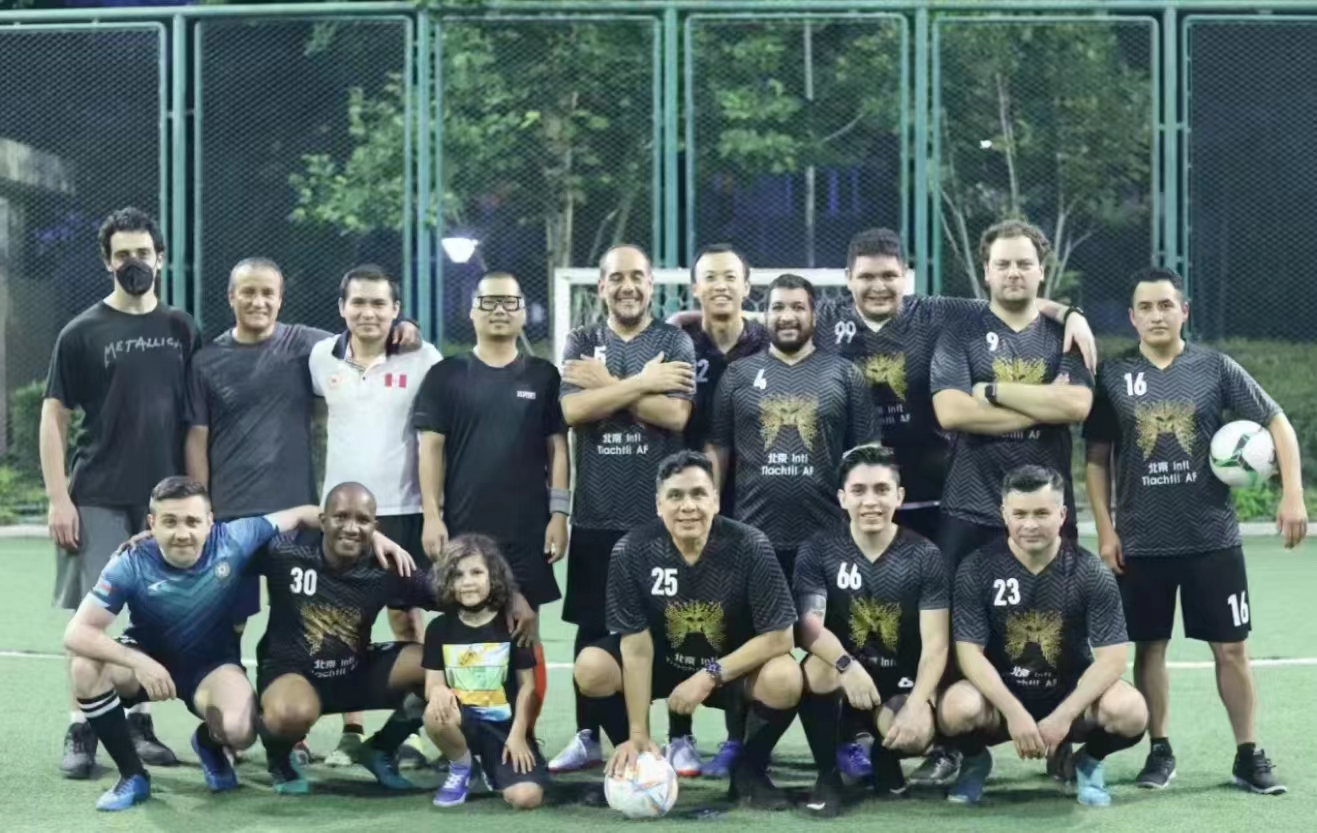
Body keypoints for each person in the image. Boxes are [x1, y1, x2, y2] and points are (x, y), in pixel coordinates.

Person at [815, 227, 1096, 788]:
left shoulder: (941, 312)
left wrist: (1072, 314)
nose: (878, 286)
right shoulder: (826, 318)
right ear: (847, 281)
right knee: (870, 623)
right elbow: (764, 324)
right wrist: (685, 323)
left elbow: (1016, 292)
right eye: (866, 277)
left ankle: (1019, 738)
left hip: (932, 496)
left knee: (950, 625)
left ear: (907, 278)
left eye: (889, 276)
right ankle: (873, 736)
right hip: (865, 501)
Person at [61, 476, 412, 811]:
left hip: (211, 667)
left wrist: (375, 539)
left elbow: (306, 512)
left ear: (210, 522)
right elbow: (77, 633)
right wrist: (138, 662)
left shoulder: (235, 537)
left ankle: (210, 743)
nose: (182, 533)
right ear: (152, 523)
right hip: (147, 659)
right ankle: (132, 775)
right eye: (169, 521)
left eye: (192, 521)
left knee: (242, 732)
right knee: (85, 668)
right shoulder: (131, 562)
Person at [1084, 267, 1306, 795]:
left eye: (1167, 305)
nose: (1157, 315)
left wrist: (1291, 493)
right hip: (1140, 542)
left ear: (1184, 312)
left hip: (1213, 539)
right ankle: (1159, 751)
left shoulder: (1215, 368)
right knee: (1150, 649)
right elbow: (1096, 458)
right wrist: (1107, 530)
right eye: (1146, 307)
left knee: (1232, 650)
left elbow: (1277, 423)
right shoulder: (1114, 377)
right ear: (1133, 317)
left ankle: (1247, 754)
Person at [42, 207, 200, 778]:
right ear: (108, 262)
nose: (134, 263)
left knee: (152, 616)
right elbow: (53, 417)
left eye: (143, 252)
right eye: (123, 255)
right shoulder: (81, 332)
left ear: (161, 257)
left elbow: (195, 419)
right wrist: (60, 498)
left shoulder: (182, 327)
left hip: (163, 505)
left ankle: (135, 723)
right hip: (99, 494)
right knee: (96, 616)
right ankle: (81, 726)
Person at [573, 451, 802, 809]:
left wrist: (709, 675)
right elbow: (635, 646)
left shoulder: (751, 545)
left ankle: (750, 771)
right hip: (662, 666)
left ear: (715, 499)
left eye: (698, 494)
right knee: (590, 667)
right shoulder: (632, 550)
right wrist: (638, 732)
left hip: (727, 668)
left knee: (785, 677)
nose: (688, 507)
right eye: (676, 496)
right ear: (658, 504)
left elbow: (781, 636)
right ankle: (638, 756)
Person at [549, 244, 697, 773]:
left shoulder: (673, 339)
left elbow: (675, 415)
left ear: (652, 284)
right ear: (602, 286)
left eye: (638, 276)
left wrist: (608, 386)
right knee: (592, 629)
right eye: (617, 278)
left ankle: (680, 735)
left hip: (658, 521)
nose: (628, 286)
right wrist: (641, 384)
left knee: (671, 628)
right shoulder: (583, 340)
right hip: (594, 514)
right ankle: (588, 734)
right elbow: (571, 409)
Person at [939, 466, 1147, 807]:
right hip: (1000, 698)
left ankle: (1088, 762)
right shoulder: (977, 568)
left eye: (1041, 513)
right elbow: (969, 654)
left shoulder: (1090, 571)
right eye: (1019, 514)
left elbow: (1113, 659)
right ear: (1003, 513)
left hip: (1068, 694)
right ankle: (976, 762)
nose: (1030, 524)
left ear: (1062, 514)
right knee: (955, 709)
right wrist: (1014, 712)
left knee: (1131, 711)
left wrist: (1063, 717)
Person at [415, 272, 567, 730]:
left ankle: (524, 736)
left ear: (523, 311)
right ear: (472, 310)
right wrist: (431, 515)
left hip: (527, 531)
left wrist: (559, 514)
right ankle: (463, 736)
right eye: (489, 302)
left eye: (509, 302)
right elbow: (431, 448)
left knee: (524, 634)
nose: (500, 310)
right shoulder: (446, 374)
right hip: (463, 530)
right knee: (462, 640)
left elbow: (557, 448)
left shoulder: (543, 375)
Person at [308, 264, 442, 765]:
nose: (368, 312)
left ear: (395, 309)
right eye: (358, 303)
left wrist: (434, 513)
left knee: (408, 619)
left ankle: (415, 726)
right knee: (345, 625)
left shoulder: (423, 356)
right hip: (343, 518)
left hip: (405, 510)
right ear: (342, 308)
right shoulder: (321, 357)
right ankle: (351, 732)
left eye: (379, 304)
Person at [255, 482, 451, 794]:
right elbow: (223, 548)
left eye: (362, 520)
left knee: (441, 668)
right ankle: (279, 758)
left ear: (375, 527)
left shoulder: (387, 565)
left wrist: (508, 598)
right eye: (340, 517)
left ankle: (380, 749)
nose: (351, 528)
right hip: (292, 674)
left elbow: (448, 597)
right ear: (322, 521)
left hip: (354, 673)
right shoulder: (284, 554)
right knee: (288, 714)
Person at [794, 444, 950, 816]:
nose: (871, 501)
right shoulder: (819, 549)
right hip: (845, 672)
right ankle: (828, 775)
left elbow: (937, 645)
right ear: (842, 498)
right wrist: (847, 665)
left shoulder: (925, 555)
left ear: (899, 496)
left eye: (881, 490)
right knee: (815, 670)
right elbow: (808, 627)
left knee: (916, 734)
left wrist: (916, 706)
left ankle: (883, 758)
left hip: (899, 682)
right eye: (859, 491)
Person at [666, 243, 770, 777]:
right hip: (685, 501)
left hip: (751, 502)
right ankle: (677, 736)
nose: (722, 285)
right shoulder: (677, 339)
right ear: (695, 289)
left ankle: (736, 738)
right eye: (711, 278)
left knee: (738, 618)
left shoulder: (771, 341)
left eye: (732, 276)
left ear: (748, 286)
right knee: (682, 615)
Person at [706, 273, 875, 582]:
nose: (787, 317)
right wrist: (711, 518)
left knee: (821, 631)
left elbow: (868, 454)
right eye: (778, 308)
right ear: (765, 315)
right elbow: (718, 448)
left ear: (813, 314)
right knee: (761, 631)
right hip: (753, 539)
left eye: (798, 307)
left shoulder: (845, 374)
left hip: (828, 540)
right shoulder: (736, 375)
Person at [425, 535, 549, 810]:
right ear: (448, 581)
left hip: (504, 731)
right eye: (458, 575)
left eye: (477, 572)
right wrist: (439, 691)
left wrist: (518, 735)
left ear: (493, 577)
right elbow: (431, 684)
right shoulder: (438, 629)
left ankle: (492, 770)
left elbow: (528, 687)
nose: (468, 581)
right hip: (463, 723)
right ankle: (462, 766)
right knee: (434, 711)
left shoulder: (512, 625)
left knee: (526, 798)